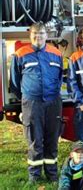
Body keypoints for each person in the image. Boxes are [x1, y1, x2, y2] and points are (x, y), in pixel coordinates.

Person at [10, 22, 63, 182]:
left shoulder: (56, 53)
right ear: (30, 35)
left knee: (52, 139)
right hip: (32, 102)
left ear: (47, 35)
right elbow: (14, 81)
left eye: (41, 34)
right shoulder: (20, 54)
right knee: (35, 139)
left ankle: (52, 174)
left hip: (53, 102)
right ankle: (34, 175)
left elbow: (60, 77)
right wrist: (27, 96)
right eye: (35, 34)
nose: (38, 37)